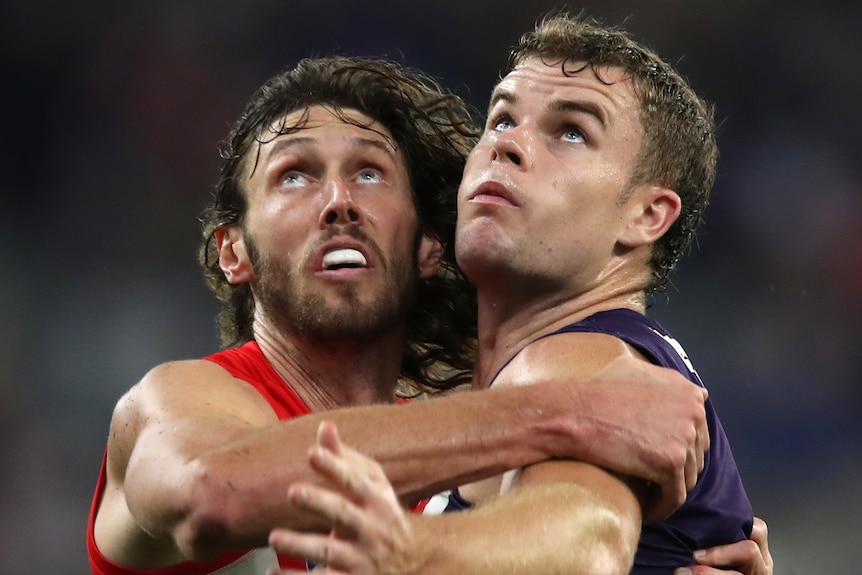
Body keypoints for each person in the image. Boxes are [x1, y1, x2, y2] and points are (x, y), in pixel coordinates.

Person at [86, 55, 716, 575]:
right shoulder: (175, 403)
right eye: (294, 175)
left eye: (369, 173)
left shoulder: (469, 460)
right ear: (235, 251)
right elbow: (209, 493)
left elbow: (583, 543)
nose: (338, 203)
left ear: (426, 247)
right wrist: (572, 412)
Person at [267, 14, 772, 575]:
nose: (508, 144)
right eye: (502, 118)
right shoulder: (506, 390)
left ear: (646, 214)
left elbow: (585, 541)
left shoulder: (585, 366)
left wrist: (407, 556)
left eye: (572, 131)